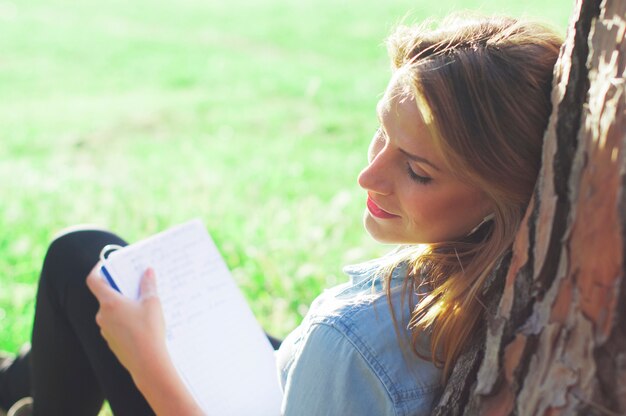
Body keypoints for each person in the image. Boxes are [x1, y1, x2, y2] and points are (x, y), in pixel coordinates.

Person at [0, 13, 562, 416]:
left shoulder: (348, 341)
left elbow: (342, 358)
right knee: (106, 266)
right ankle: (14, 382)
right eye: (381, 134)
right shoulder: (503, 270)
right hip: (296, 384)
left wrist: (146, 362)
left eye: (417, 171)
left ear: (500, 195)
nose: (368, 177)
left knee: (78, 260)